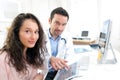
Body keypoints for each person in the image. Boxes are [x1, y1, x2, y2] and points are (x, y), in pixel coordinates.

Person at [0, 13, 47, 80]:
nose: (33, 37)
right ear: (16, 32)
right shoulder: (3, 59)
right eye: (27, 31)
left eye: (36, 32)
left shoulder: (31, 55)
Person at [45, 7, 74, 80]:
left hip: (61, 73)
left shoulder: (67, 36)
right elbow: (35, 57)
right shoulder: (40, 36)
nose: (60, 28)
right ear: (49, 21)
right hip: (45, 73)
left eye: (63, 24)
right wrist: (49, 59)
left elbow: (70, 57)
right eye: (57, 23)